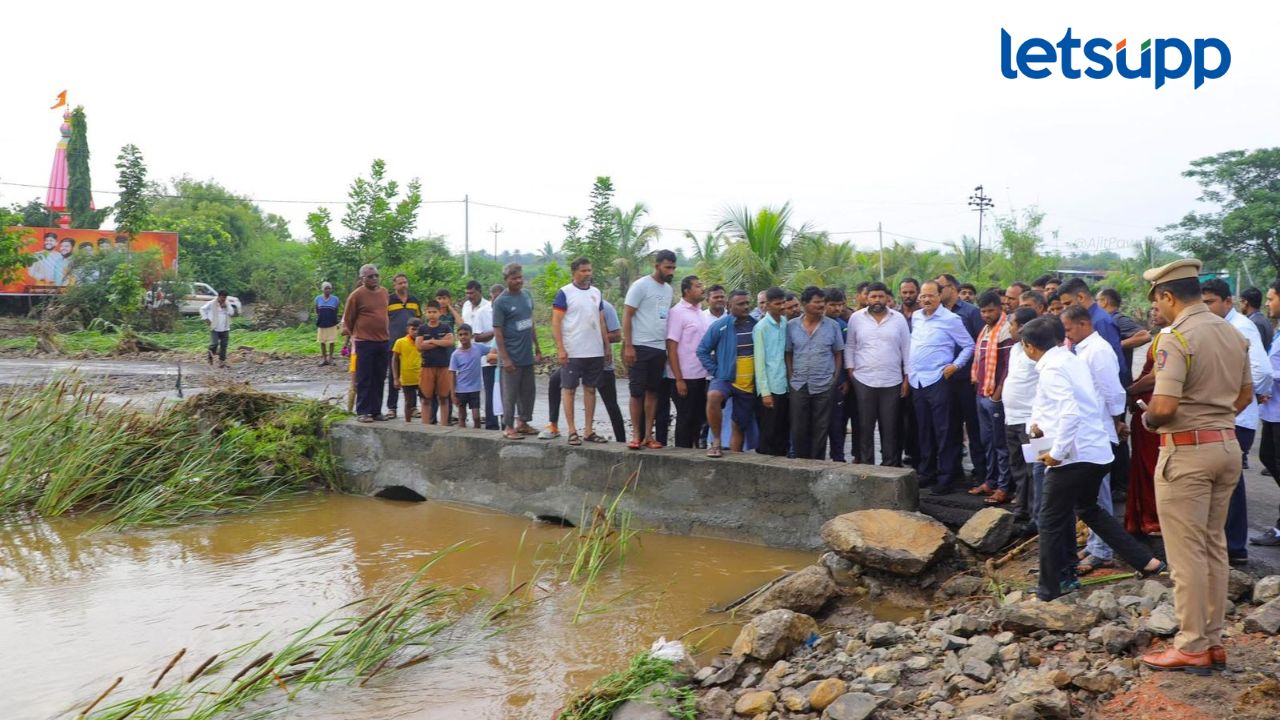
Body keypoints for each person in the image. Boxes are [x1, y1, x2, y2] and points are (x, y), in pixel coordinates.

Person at [1139, 259, 1252, 674]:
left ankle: (1190, 645)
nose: (1158, 311)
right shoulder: (1232, 332)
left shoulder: (1176, 338)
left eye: (1158, 303)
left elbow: (1164, 407)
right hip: (1226, 446)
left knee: (1186, 555)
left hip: (1186, 453)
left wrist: (1148, 419)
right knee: (1212, 548)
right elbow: (1243, 397)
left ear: (1168, 297)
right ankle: (1212, 640)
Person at [1022, 314, 1166, 602]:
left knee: (1049, 519)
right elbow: (1058, 407)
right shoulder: (1067, 359)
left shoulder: (1053, 368)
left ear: (1028, 347)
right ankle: (1146, 562)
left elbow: (1070, 413)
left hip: (1075, 456)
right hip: (1095, 451)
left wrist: (1056, 453)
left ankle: (1049, 589)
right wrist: (1036, 426)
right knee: (1088, 508)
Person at [1202, 278, 1271, 567]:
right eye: (1202, 303)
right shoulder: (1219, 326)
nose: (1206, 308)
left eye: (1210, 303)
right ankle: (1230, 545)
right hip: (1230, 414)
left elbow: (1262, 371)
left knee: (1228, 481)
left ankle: (1233, 545)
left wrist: (1237, 402)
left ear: (1228, 302)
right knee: (1228, 481)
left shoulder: (1239, 327)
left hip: (1235, 418)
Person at [1062, 305, 1128, 575]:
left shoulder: (1098, 351)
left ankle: (1102, 550)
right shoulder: (1083, 349)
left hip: (1100, 431)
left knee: (1099, 496)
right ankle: (1094, 544)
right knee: (1089, 495)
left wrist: (1117, 420)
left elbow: (1113, 392)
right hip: (1091, 431)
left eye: (1067, 329)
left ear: (1082, 324)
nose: (1066, 335)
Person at [909, 281, 975, 495]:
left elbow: (969, 345)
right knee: (924, 430)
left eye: (931, 296)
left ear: (940, 296)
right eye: (923, 296)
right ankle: (927, 473)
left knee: (944, 431)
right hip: (918, 380)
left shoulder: (951, 319)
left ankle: (946, 477)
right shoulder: (917, 317)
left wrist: (955, 365)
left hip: (938, 380)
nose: (926, 300)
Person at [845, 281, 910, 466]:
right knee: (865, 425)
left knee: (889, 426)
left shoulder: (898, 319)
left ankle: (890, 465)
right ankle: (867, 465)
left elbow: (906, 348)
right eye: (873, 296)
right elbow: (850, 345)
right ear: (867, 298)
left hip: (892, 381)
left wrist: (907, 378)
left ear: (887, 298)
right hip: (864, 380)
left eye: (881, 296)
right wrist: (851, 370)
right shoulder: (856, 318)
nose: (877, 300)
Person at [551, 258, 612, 445]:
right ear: (574, 272)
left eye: (589, 270)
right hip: (573, 351)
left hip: (594, 350)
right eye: (584, 270)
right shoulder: (565, 293)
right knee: (569, 390)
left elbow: (601, 320)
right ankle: (571, 430)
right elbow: (556, 322)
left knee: (590, 389)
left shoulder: (596, 293)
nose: (588, 274)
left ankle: (588, 430)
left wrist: (606, 345)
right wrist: (561, 348)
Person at [623, 250, 676, 450]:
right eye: (667, 267)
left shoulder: (668, 290)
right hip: (639, 346)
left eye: (673, 267)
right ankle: (636, 435)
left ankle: (648, 435)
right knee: (637, 392)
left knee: (653, 392)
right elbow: (627, 314)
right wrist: (628, 345)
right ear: (657, 266)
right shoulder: (641, 286)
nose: (670, 271)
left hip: (658, 348)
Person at [936, 274, 986, 487]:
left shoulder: (971, 312)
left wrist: (975, 375)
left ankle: (981, 473)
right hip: (943, 380)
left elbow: (979, 345)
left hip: (967, 380)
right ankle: (953, 473)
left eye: (941, 287)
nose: (938, 291)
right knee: (949, 428)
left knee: (974, 429)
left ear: (953, 288)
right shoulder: (935, 314)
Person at [969, 291, 1016, 504]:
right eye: (983, 311)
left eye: (990, 310)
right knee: (987, 441)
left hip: (995, 396)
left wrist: (997, 393)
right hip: (981, 393)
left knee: (1000, 443)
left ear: (1000, 308)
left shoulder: (1005, 330)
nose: (986, 314)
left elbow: (1007, 366)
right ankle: (990, 481)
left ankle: (1004, 486)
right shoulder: (986, 330)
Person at [786, 286, 844, 459]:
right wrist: (790, 376)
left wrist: (834, 378)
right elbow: (788, 353)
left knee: (821, 427)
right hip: (799, 383)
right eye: (817, 302)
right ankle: (801, 463)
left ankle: (817, 463)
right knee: (798, 427)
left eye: (822, 302)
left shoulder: (833, 326)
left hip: (824, 384)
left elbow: (838, 353)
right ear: (805, 304)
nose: (821, 305)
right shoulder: (791, 326)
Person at [698, 289, 757, 457]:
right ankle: (716, 441)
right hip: (725, 377)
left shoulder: (756, 325)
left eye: (747, 303)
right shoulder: (720, 326)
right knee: (714, 396)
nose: (745, 307)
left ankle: (734, 458)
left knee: (738, 424)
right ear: (729, 306)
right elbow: (702, 350)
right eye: (741, 304)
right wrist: (716, 370)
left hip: (748, 383)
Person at [1125, 305, 1167, 536]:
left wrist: (1130, 390)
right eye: (1151, 309)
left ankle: (1155, 518)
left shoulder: (1172, 338)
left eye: (1158, 308)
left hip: (1156, 408)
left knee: (1154, 465)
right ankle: (1144, 518)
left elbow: (1155, 376)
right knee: (1142, 464)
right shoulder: (1161, 336)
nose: (1153, 313)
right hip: (1144, 408)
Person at [1002, 307, 1042, 524]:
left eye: (1012, 323)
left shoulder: (1036, 352)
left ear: (1023, 327)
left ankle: (1036, 516)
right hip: (1012, 418)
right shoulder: (1016, 348)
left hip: (1029, 420)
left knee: (1033, 469)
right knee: (1017, 467)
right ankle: (1022, 508)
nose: (1009, 327)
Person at [493, 263, 542, 439]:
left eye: (520, 277)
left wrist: (537, 347)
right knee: (510, 393)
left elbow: (530, 322)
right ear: (506, 280)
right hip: (511, 356)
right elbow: (498, 332)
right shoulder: (501, 302)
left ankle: (523, 422)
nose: (518, 281)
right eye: (514, 278)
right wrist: (505, 358)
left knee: (528, 391)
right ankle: (508, 426)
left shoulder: (527, 296)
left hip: (526, 354)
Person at [667, 274, 710, 449]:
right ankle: (682, 456)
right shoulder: (677, 313)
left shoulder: (700, 313)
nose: (702, 289)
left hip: (702, 376)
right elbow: (671, 346)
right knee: (685, 419)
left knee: (697, 419)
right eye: (698, 286)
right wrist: (678, 379)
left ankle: (694, 455)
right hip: (684, 377)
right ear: (687, 290)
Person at [345, 264, 391, 423]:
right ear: (362, 278)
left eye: (376, 275)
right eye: (370, 276)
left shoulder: (384, 292)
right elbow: (349, 320)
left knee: (379, 377)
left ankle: (376, 410)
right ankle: (363, 411)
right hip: (364, 341)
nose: (374, 279)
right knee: (364, 377)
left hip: (383, 341)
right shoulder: (356, 295)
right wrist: (356, 336)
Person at [1253, 280, 1280, 547]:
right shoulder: (1278, 330)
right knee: (1267, 457)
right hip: (1272, 412)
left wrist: (1267, 378)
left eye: (1272, 298)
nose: (1268, 303)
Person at [753, 287, 790, 456]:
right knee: (769, 431)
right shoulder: (761, 327)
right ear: (767, 305)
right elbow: (759, 362)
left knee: (783, 430)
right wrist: (765, 392)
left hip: (785, 385)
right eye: (777, 304)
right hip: (770, 387)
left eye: (783, 303)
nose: (781, 306)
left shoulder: (785, 324)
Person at [822, 287, 854, 462]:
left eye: (840, 305)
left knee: (837, 424)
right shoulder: (816, 323)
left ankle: (838, 457)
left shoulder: (843, 326)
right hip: (818, 382)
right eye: (833, 305)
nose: (837, 309)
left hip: (839, 383)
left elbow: (846, 354)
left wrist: (845, 380)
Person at [462, 280, 499, 430]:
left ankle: (503, 422)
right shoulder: (471, 308)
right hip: (481, 355)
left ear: (479, 291)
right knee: (480, 388)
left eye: (472, 293)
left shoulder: (492, 307)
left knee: (498, 391)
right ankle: (488, 422)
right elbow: (476, 335)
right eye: (468, 293)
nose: (470, 296)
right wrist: (496, 331)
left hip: (500, 356)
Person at [385, 274, 422, 419]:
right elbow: (384, 320)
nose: (403, 285)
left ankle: (413, 407)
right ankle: (392, 408)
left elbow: (419, 320)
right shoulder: (389, 300)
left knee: (414, 374)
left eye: (405, 282)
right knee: (393, 375)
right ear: (394, 285)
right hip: (394, 342)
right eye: (400, 283)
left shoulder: (414, 301)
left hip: (413, 345)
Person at [416, 301, 456, 426]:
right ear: (425, 313)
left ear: (439, 313)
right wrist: (439, 342)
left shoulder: (445, 327)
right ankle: (425, 426)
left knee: (444, 397)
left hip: (443, 365)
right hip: (427, 365)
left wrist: (431, 341)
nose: (432, 315)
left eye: (434, 312)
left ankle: (444, 425)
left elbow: (450, 342)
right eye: (429, 312)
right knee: (426, 398)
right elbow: (419, 346)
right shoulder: (422, 328)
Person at [1097, 288, 1153, 376]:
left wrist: (1115, 346)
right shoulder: (1106, 320)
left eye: (1097, 300)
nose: (1096, 304)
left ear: (1104, 301)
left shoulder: (1118, 319)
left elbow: (1145, 336)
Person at [450, 324, 489, 429]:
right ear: (457, 337)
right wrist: (453, 393)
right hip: (461, 390)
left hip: (475, 389)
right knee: (462, 416)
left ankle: (477, 436)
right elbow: (452, 374)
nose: (463, 337)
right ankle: (461, 436)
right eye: (460, 335)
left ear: (471, 336)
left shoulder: (478, 348)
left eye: (466, 334)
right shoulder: (455, 354)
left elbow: (492, 350)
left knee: (476, 416)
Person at [391, 318, 422, 422]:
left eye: (418, 329)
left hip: (421, 376)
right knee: (408, 401)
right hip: (407, 378)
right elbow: (395, 360)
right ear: (407, 329)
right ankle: (407, 422)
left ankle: (427, 423)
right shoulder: (400, 342)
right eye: (413, 329)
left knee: (425, 400)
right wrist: (396, 378)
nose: (416, 332)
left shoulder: (423, 342)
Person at [201, 289, 238, 368]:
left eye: (224, 298)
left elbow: (231, 313)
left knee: (224, 345)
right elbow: (202, 309)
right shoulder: (211, 303)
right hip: (215, 327)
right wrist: (206, 319)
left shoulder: (227, 303)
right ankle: (210, 357)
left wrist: (226, 307)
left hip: (225, 328)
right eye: (222, 298)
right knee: (214, 344)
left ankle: (222, 361)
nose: (223, 300)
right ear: (218, 296)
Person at [1240, 287, 1273, 353]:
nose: (1240, 305)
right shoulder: (1263, 319)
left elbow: (1256, 350)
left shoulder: (1254, 323)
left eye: (1241, 301)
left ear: (1246, 303)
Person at [315, 282, 341, 366]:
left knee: (331, 341)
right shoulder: (318, 299)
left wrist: (337, 323)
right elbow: (317, 311)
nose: (328, 290)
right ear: (322, 289)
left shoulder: (335, 299)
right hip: (322, 323)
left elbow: (335, 311)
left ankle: (330, 359)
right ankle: (324, 359)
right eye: (326, 288)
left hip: (332, 323)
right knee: (322, 342)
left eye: (329, 288)